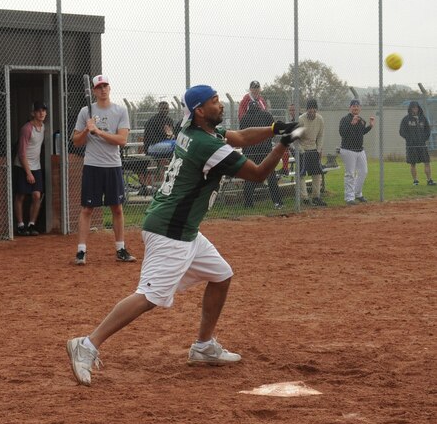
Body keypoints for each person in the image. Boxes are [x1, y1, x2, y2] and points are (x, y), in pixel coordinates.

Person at [66, 85, 301, 386]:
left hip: (183, 229)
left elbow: (241, 138)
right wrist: (284, 143)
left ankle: (203, 347)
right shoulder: (207, 146)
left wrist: (272, 128)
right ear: (200, 111)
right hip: (171, 232)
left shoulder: (190, 128)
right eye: (214, 102)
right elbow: (256, 174)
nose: (220, 105)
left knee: (221, 275)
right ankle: (86, 344)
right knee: (148, 297)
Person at [72, 74, 136, 265]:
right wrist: (86, 129)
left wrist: (98, 131)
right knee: (87, 209)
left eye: (105, 86)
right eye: (99, 87)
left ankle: (120, 249)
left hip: (113, 165)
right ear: (93, 91)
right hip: (92, 165)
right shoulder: (85, 112)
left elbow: (122, 140)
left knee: (117, 208)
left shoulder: (120, 111)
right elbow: (76, 142)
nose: (103, 89)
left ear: (110, 88)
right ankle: (81, 252)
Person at [239, 101, 283, 210]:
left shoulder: (245, 118)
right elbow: (274, 131)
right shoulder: (266, 115)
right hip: (264, 150)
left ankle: (248, 204)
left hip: (250, 150)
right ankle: (277, 202)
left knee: (249, 175)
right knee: (271, 175)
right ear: (259, 107)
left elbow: (242, 135)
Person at [13, 102, 48, 237]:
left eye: (44, 111)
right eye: (38, 111)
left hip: (36, 166)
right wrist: (28, 172)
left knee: (36, 195)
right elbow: (21, 153)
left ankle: (31, 224)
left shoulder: (44, 127)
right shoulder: (27, 129)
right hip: (22, 165)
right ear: (33, 113)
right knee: (21, 195)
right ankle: (21, 225)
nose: (42, 113)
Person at [339, 99, 375, 205]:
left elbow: (361, 132)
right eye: (353, 106)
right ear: (350, 108)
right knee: (350, 173)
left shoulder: (361, 120)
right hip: (348, 149)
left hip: (360, 150)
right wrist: (352, 123)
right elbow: (342, 133)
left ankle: (358, 193)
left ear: (360, 108)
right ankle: (349, 197)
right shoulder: (345, 119)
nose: (355, 108)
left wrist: (370, 126)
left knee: (364, 172)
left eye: (357, 106)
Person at [297, 98, 326, 206]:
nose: (312, 113)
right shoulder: (301, 120)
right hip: (302, 150)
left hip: (313, 149)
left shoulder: (320, 119)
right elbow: (295, 138)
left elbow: (321, 135)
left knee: (317, 174)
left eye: (314, 110)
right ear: (306, 110)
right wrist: (301, 150)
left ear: (316, 110)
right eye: (310, 110)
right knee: (301, 175)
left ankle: (316, 196)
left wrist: (319, 149)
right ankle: (304, 198)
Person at [399, 101, 433, 186]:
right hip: (411, 146)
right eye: (413, 107)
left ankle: (429, 180)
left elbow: (427, 130)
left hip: (422, 145)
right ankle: (415, 181)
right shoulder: (406, 119)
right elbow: (402, 131)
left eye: (417, 107)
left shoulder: (423, 118)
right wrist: (409, 139)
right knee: (413, 163)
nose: (415, 109)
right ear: (410, 108)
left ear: (419, 108)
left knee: (427, 162)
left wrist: (423, 139)